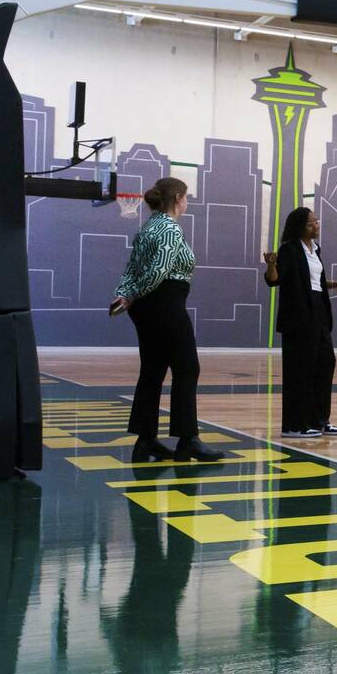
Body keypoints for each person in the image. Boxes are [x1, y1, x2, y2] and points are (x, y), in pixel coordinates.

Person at [111, 177, 225, 463]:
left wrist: (125, 295)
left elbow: (132, 269)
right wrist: (133, 295)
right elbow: (159, 270)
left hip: (147, 308)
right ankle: (188, 440)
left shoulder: (147, 227)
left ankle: (145, 439)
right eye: (186, 197)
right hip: (166, 303)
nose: (187, 203)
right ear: (177, 198)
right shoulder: (170, 230)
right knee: (187, 368)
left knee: (152, 371)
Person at [263, 206, 337, 440]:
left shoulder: (315, 249)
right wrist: (271, 264)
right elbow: (275, 280)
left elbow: (315, 279)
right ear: (300, 227)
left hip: (319, 312)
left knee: (324, 364)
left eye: (317, 221)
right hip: (299, 316)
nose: (316, 225)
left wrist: (335, 284)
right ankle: (294, 425)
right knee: (300, 370)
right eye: (311, 223)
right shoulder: (290, 249)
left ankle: (319, 420)